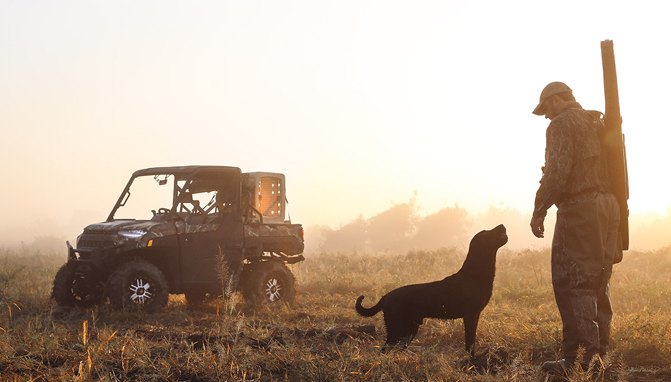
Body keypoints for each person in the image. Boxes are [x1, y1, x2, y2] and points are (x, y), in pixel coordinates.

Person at [529, 82, 622, 374]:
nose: (547, 116)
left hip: (581, 209)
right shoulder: (597, 121)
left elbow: (558, 170)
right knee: (599, 282)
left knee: (573, 283)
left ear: (558, 100)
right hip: (610, 207)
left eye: (547, 108)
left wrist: (539, 208)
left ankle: (579, 360)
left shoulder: (561, 125)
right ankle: (597, 358)